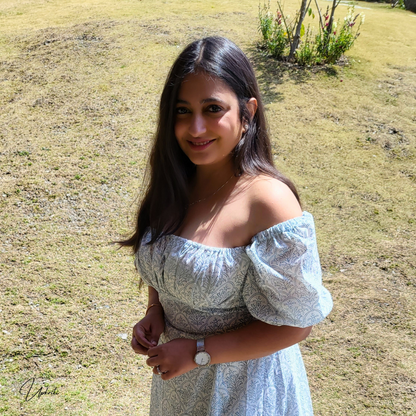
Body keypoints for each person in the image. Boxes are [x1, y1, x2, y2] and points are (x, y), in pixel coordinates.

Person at [120, 36, 333, 416]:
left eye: (213, 108)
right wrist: (157, 310)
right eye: (182, 110)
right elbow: (166, 259)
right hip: (179, 389)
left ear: (247, 112)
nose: (195, 127)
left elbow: (298, 325)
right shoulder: (176, 182)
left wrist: (199, 352)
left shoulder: (268, 202)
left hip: (245, 393)